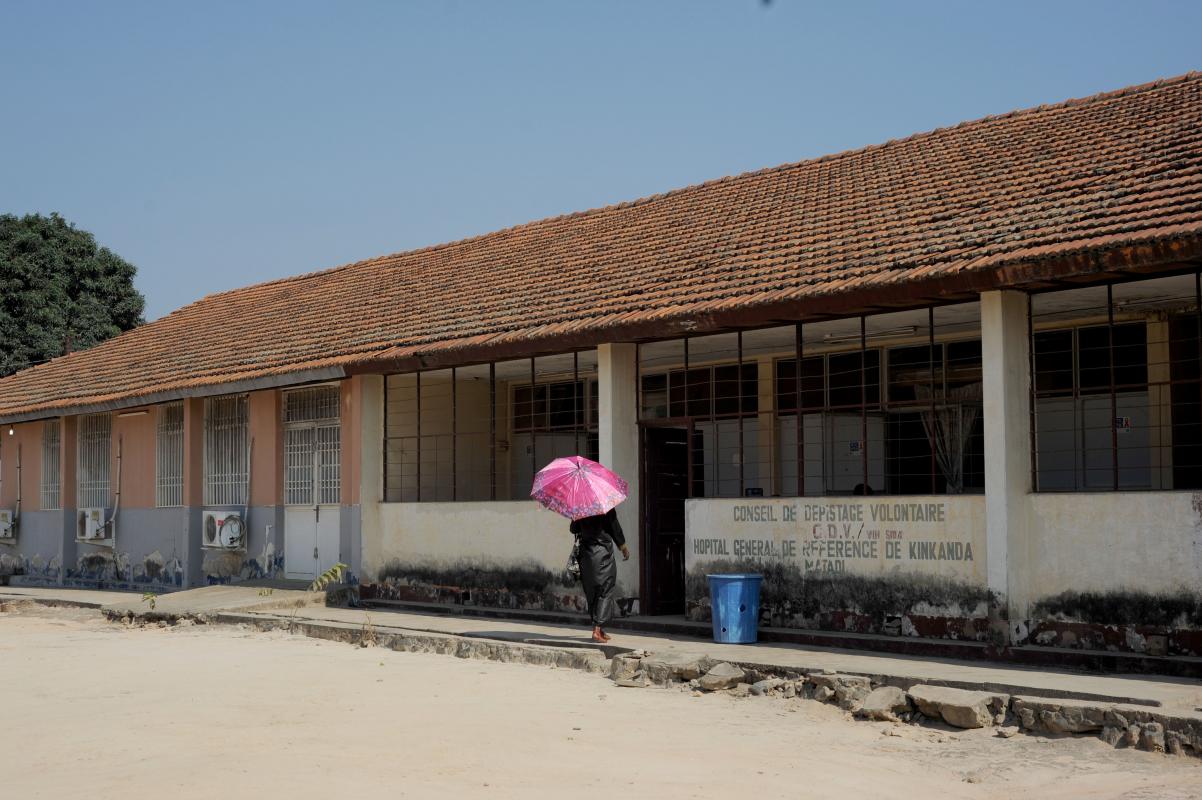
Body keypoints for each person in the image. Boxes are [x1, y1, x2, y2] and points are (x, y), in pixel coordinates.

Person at [569, 507, 629, 643]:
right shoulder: (605, 507)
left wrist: (576, 516)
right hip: (602, 554)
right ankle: (597, 629)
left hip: (585, 556)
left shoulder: (579, 507)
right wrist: (623, 546)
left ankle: (599, 629)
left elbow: (573, 529)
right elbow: (614, 527)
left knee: (592, 592)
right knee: (605, 590)